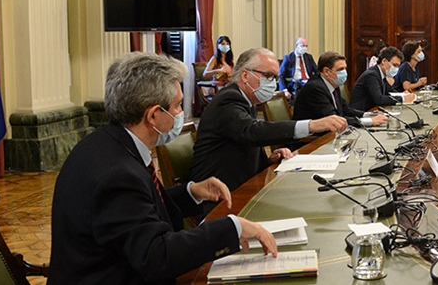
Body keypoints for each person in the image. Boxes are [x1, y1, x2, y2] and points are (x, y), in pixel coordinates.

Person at [49, 52, 277, 283]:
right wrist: (232, 227)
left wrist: (191, 192)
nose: (180, 114)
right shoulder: (117, 174)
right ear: (153, 115)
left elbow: (137, 209)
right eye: (177, 106)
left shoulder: (109, 142)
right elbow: (157, 256)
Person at [190, 48, 348, 199]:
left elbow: (242, 143)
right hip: (217, 193)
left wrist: (270, 160)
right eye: (269, 76)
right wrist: (310, 125)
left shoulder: (247, 101)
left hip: (239, 185)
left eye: (276, 77)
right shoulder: (229, 99)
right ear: (245, 75)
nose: (273, 83)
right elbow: (251, 132)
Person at [294, 51, 388, 128]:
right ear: (326, 71)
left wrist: (369, 115)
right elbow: (334, 119)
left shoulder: (332, 84)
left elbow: (345, 109)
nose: (344, 73)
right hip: (312, 140)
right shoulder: (315, 88)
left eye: (345, 69)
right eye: (340, 69)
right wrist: (370, 121)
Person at [351, 46, 416, 111]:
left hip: (374, 110)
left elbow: (389, 91)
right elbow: (379, 99)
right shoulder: (372, 75)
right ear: (384, 61)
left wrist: (403, 94)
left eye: (398, 66)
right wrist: (403, 99)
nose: (396, 69)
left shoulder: (381, 73)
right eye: (394, 65)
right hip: (361, 113)